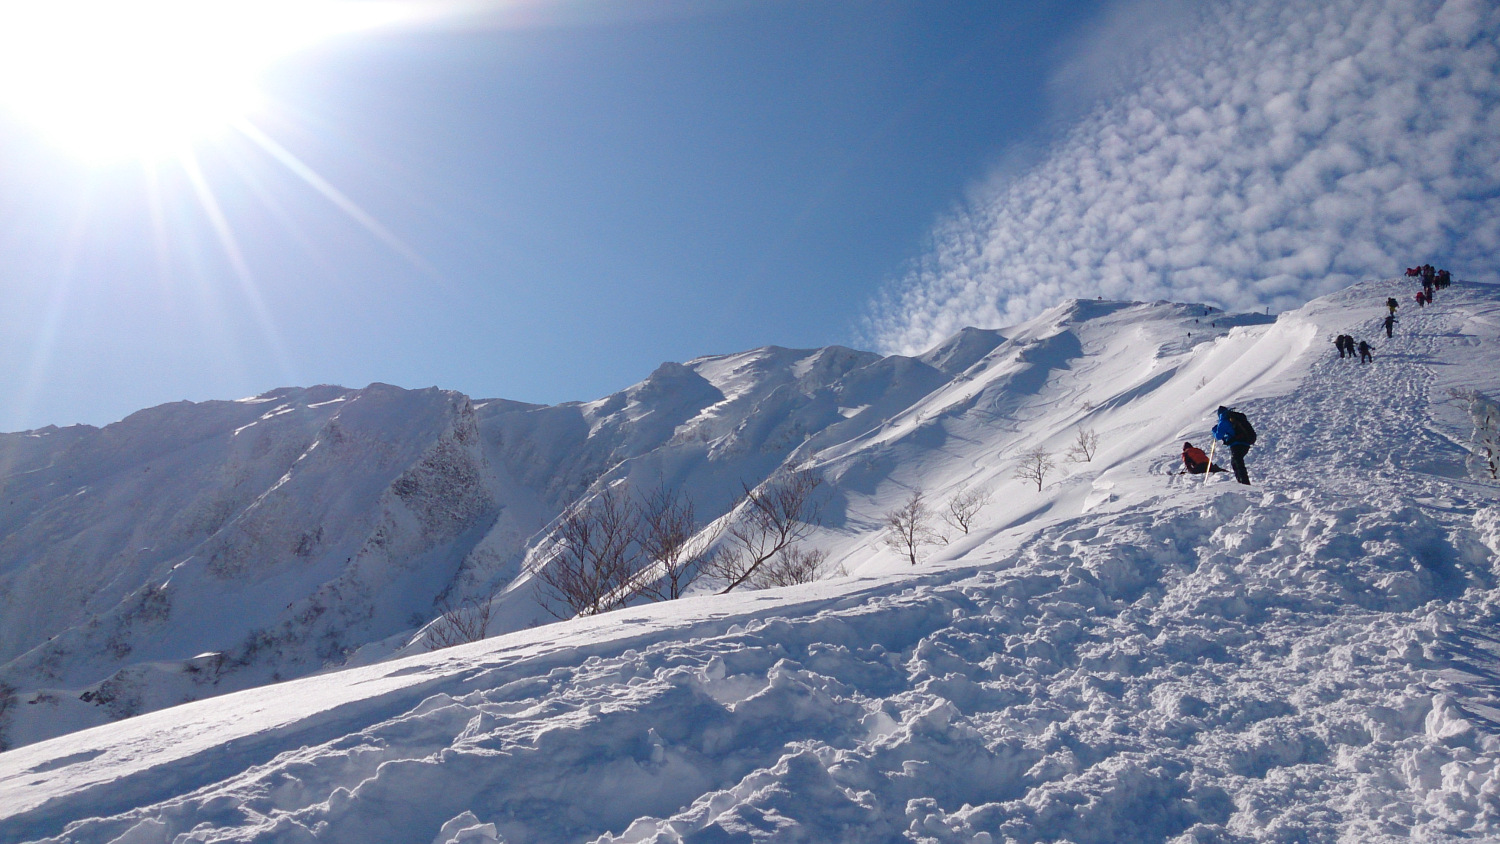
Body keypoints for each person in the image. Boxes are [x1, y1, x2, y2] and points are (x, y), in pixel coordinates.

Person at [1212, 406, 1255, 485]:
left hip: (1236, 444)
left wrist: (1214, 430)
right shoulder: (1234, 418)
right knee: (1236, 462)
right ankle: (1242, 482)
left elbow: (1218, 436)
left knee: (1237, 463)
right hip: (1245, 443)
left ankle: (1244, 483)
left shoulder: (1224, 420)